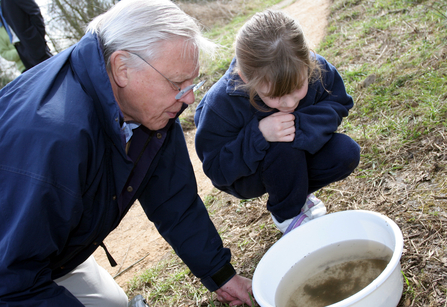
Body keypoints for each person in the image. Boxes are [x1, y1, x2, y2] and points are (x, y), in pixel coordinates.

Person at [0, 0, 253, 306]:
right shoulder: (53, 139)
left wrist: (221, 275)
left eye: (191, 82)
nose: (189, 97)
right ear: (122, 68)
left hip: (42, 248)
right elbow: (11, 281)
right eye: (177, 83)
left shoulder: (150, 108)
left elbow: (172, 197)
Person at [194, 10, 361, 234]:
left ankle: (297, 193)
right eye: (274, 95)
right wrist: (258, 135)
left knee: (345, 152)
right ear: (246, 78)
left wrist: (299, 125)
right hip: (247, 175)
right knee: (282, 143)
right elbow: (217, 170)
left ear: (307, 60)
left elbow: (339, 103)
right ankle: (287, 216)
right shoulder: (221, 104)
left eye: (298, 88)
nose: (289, 103)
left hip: (294, 157)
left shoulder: (315, 68)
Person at [0, 0, 52, 71]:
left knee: (53, 72)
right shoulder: (1, 5)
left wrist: (37, 37)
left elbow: (34, 11)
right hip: (20, 48)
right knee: (38, 79)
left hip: (33, 42)